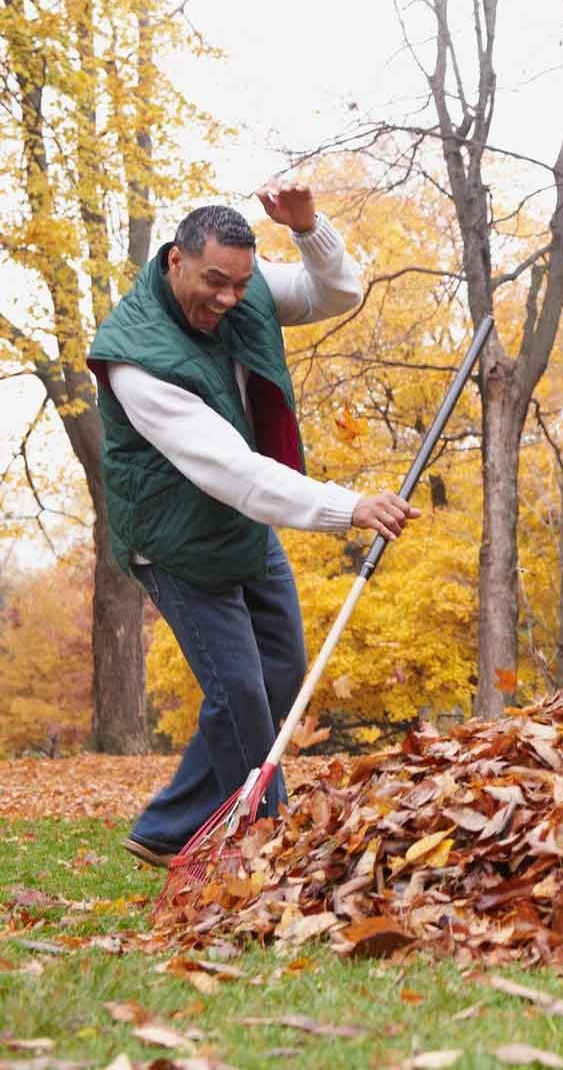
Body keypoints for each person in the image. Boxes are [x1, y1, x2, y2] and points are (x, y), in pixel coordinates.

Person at [88, 181, 418, 868]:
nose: (229, 299)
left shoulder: (241, 284)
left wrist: (309, 230)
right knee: (240, 692)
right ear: (175, 260)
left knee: (280, 673)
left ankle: (167, 828)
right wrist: (347, 506)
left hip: (244, 521)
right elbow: (231, 470)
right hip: (175, 538)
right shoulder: (134, 359)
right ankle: (266, 839)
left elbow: (336, 293)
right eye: (214, 281)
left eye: (240, 284)